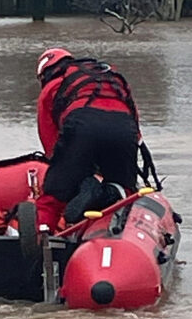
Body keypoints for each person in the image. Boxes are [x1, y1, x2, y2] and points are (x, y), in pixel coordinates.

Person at [34, 48, 159, 230]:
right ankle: (113, 201)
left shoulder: (52, 87)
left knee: (52, 198)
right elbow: (133, 114)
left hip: (82, 127)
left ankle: (41, 237)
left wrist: (62, 173)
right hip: (123, 129)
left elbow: (49, 138)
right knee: (128, 191)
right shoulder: (109, 76)